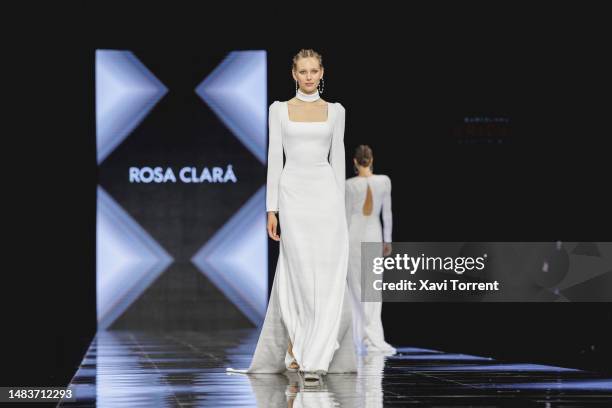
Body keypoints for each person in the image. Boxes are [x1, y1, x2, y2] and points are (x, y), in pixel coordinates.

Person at [227, 49, 357, 385]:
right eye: (303, 71)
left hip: (326, 195)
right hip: (293, 193)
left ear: (322, 72)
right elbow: (275, 159)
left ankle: (318, 350)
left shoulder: (336, 111)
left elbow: (339, 158)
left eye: (314, 71)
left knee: (326, 272)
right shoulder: (279, 110)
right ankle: (298, 346)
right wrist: (272, 209)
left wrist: (342, 209)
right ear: (294, 74)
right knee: (296, 270)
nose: (309, 76)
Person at [345, 145, 396, 354]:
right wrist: (387, 240)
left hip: (354, 237)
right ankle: (371, 337)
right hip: (374, 235)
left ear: (355, 162)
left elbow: (345, 216)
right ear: (371, 159)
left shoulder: (349, 185)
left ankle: (363, 336)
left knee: (357, 289)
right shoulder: (384, 181)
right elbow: (388, 214)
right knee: (372, 289)